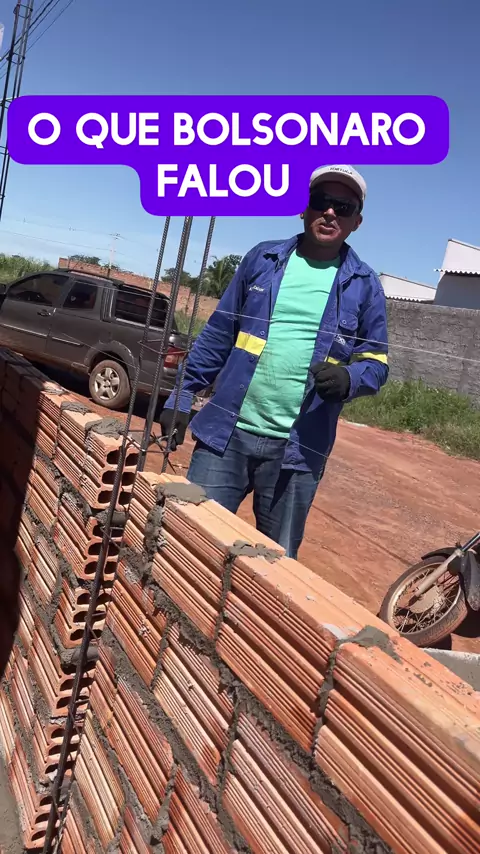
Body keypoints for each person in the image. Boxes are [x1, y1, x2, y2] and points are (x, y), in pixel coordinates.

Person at [160, 165, 388, 559]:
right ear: (303, 208)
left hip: (299, 451)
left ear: (356, 222)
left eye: (343, 207)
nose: (330, 212)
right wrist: (181, 394)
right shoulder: (262, 260)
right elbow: (219, 334)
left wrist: (349, 378)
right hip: (227, 436)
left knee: (276, 566)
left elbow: (377, 363)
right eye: (321, 201)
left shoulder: (365, 286)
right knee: (192, 544)